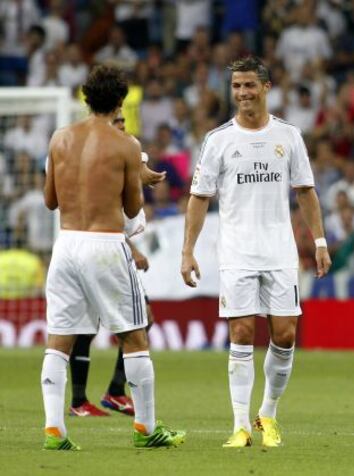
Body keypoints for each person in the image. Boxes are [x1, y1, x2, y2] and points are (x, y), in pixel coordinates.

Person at [181, 57, 331, 448]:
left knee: (284, 334)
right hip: (237, 253)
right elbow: (198, 199)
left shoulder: (289, 136)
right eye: (236, 86)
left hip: (279, 252)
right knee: (242, 332)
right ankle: (241, 425)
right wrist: (188, 251)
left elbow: (305, 192)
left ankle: (268, 413)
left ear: (266, 88)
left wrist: (319, 241)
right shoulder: (218, 140)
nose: (242, 93)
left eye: (249, 85)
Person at [41, 64, 185, 451]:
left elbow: (50, 199)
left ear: (86, 98)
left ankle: (54, 430)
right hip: (104, 244)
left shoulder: (59, 138)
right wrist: (137, 178)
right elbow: (133, 207)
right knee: (135, 336)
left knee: (59, 340)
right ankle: (146, 428)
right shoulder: (127, 145)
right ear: (120, 102)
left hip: (66, 243)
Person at [69, 111, 159, 418]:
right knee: (131, 322)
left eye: (123, 121)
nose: (122, 125)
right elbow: (101, 213)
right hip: (103, 249)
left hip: (109, 248)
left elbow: (140, 169)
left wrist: (143, 172)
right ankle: (91, 398)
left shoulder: (128, 148)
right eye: (117, 121)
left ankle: (108, 394)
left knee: (106, 325)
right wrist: (131, 248)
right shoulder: (96, 157)